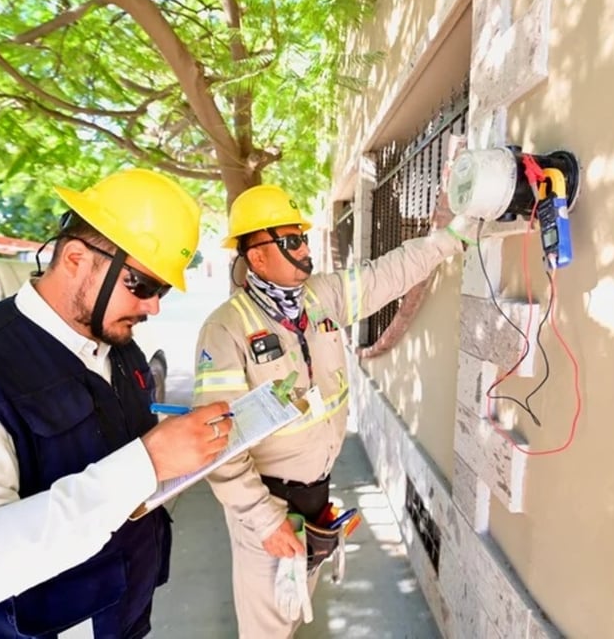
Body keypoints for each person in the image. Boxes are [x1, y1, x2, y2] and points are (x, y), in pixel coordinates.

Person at [0, 169, 234, 638]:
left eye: (164, 291)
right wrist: (148, 462)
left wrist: (180, 454)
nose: (154, 307)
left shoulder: (120, 350)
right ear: (76, 258)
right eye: (142, 285)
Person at [191, 183, 476, 637]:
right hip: (265, 506)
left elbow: (389, 272)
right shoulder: (226, 328)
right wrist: (266, 521)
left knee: (294, 609)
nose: (304, 248)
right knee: (267, 626)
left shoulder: (320, 296)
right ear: (256, 256)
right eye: (290, 241)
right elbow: (213, 443)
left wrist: (451, 238)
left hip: (314, 497)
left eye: (302, 236)